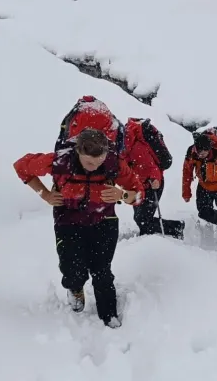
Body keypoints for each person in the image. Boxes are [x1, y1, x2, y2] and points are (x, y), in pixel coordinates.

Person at [14, 128, 144, 329]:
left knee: (102, 270)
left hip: (104, 220)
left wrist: (122, 196)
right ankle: (75, 288)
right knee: (72, 269)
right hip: (68, 220)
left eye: (99, 161)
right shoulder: (59, 161)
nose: (94, 167)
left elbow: (139, 194)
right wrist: (45, 194)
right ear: (78, 152)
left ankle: (108, 314)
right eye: (89, 162)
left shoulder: (114, 164)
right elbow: (22, 166)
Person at [123, 118, 184, 238]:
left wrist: (155, 179)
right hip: (138, 185)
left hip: (152, 185)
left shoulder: (137, 148)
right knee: (139, 218)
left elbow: (152, 167)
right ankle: (172, 229)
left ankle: (171, 231)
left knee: (143, 219)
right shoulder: (122, 148)